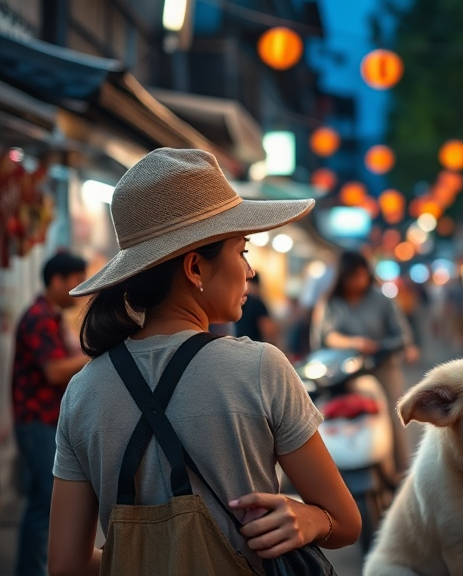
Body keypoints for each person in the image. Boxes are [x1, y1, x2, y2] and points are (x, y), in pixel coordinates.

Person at [48, 149, 360, 576]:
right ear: (195, 267)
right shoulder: (261, 369)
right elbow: (346, 523)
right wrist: (312, 519)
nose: (249, 271)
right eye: (242, 252)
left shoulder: (82, 391)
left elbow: (65, 564)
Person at [11, 252, 89, 576]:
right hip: (38, 421)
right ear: (57, 281)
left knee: (42, 500)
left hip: (43, 421)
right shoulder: (39, 317)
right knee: (44, 502)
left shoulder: (51, 316)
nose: (79, 288)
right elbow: (55, 371)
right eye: (75, 280)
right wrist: (95, 354)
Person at [312, 251, 419, 477]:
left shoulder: (381, 300)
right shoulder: (331, 302)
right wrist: (354, 343)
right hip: (343, 372)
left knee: (394, 415)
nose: (358, 281)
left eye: (362, 275)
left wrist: (378, 346)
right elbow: (325, 336)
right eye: (353, 276)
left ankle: (399, 474)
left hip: (382, 368)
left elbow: (402, 336)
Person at [235, 272, 278, 346]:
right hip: (254, 347)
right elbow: (268, 331)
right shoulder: (257, 303)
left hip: (237, 344)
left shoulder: (238, 300)